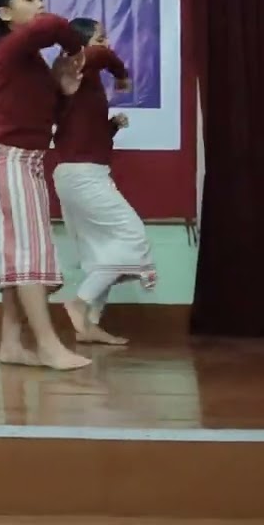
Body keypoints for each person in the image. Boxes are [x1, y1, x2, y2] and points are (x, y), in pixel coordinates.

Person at [0, 0, 91, 371]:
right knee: (26, 253)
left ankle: (12, 344)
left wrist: (63, 90)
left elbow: (42, 115)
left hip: (26, 158)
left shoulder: (28, 60)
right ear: (5, 14)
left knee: (21, 253)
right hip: (6, 158)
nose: (40, 4)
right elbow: (51, 27)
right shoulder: (7, 48)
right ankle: (48, 345)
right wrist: (76, 47)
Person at [52, 18, 157, 345]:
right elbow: (101, 56)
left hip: (83, 172)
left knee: (104, 254)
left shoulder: (83, 81)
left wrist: (110, 127)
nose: (107, 42)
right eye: (101, 37)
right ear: (82, 45)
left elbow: (81, 135)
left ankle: (90, 325)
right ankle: (78, 303)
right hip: (82, 176)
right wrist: (122, 75)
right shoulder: (76, 67)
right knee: (132, 237)